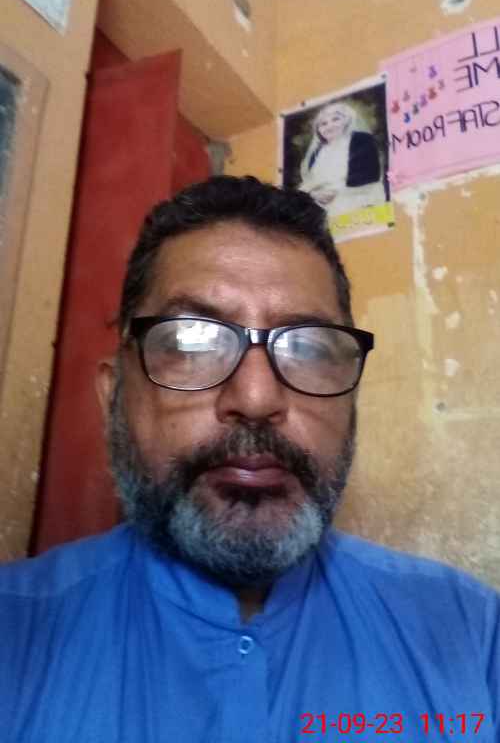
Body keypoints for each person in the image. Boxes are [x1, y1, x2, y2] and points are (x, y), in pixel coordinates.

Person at [0, 176, 498, 742]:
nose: (257, 398)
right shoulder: (14, 636)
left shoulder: (472, 639)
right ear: (114, 396)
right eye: (191, 341)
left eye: (308, 347)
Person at [299, 100, 388, 217]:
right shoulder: (317, 153)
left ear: (346, 121)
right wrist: (313, 195)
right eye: (323, 124)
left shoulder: (361, 140)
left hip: (357, 198)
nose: (329, 126)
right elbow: (309, 182)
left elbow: (370, 176)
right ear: (318, 129)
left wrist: (337, 193)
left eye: (335, 119)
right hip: (322, 203)